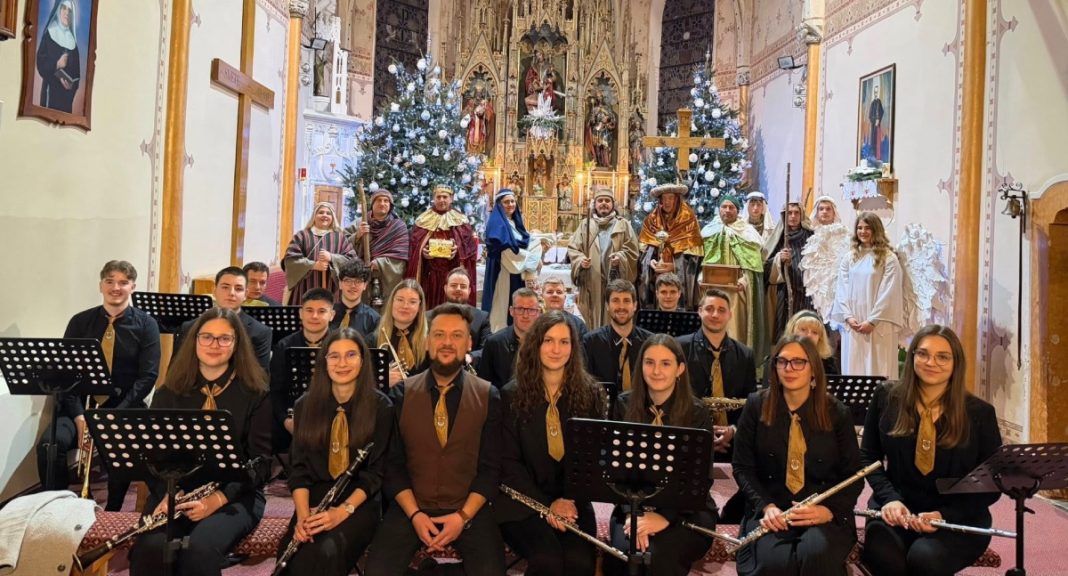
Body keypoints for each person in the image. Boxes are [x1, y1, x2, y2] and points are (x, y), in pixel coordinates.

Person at [128, 308, 272, 576]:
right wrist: (167, 493)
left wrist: (217, 499)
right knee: (150, 547)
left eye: (224, 339)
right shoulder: (168, 392)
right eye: (206, 337)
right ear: (194, 341)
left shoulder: (256, 393)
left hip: (236, 493)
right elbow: (151, 458)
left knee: (200, 549)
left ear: (236, 344)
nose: (214, 345)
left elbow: (261, 464)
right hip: (175, 491)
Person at [365, 304, 505, 575]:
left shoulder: (490, 395)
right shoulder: (401, 394)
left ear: (469, 343)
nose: (447, 343)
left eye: (456, 336)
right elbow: (392, 466)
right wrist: (415, 515)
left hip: (468, 509)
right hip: (412, 507)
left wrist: (462, 517)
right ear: (428, 341)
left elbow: (491, 469)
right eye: (439, 335)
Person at [859, 325, 1002, 576]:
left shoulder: (980, 413)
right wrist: (890, 498)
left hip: (958, 515)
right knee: (885, 559)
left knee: (925, 559)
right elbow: (867, 457)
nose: (931, 362)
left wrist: (943, 514)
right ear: (912, 355)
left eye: (942, 356)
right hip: (896, 509)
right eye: (923, 354)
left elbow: (990, 483)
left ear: (956, 362)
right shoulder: (886, 397)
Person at [732, 336, 863, 576]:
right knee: (774, 564)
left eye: (798, 362)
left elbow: (853, 476)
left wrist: (829, 510)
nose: (789, 368)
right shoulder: (756, 405)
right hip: (772, 511)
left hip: (823, 511)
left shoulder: (837, 413)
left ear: (813, 368)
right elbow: (742, 467)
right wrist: (766, 506)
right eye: (782, 361)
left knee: (815, 554)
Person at [40, 260, 160, 511]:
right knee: (50, 446)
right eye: (109, 281)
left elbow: (147, 376)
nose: (115, 287)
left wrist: (112, 415)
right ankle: (59, 507)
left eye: (123, 282)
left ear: (133, 287)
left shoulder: (146, 324)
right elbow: (66, 374)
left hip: (123, 406)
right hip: (79, 405)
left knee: (121, 449)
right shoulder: (80, 322)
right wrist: (79, 417)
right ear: (100, 285)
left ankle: (112, 510)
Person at [495, 311, 605, 576]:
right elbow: (508, 464)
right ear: (536, 345)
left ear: (573, 348)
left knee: (580, 562)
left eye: (564, 342)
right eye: (549, 341)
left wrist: (568, 499)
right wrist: (547, 505)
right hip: (522, 502)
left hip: (573, 500)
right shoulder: (511, 394)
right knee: (547, 560)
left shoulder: (591, 394)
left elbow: (591, 458)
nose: (557, 349)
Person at [277, 328, 393, 576]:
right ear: (324, 362)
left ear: (362, 361)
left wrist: (342, 512)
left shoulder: (381, 407)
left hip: (360, 500)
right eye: (334, 356)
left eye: (351, 355)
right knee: (293, 552)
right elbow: (298, 469)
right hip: (315, 493)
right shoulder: (305, 405)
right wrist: (302, 515)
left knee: (326, 552)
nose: (342, 363)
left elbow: (376, 474)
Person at [602, 334, 716, 576]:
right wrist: (635, 514)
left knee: (660, 557)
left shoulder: (698, 413)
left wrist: (664, 517)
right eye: (649, 362)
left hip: (687, 510)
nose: (656, 371)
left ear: (680, 369)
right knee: (623, 554)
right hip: (633, 505)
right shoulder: (624, 404)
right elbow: (616, 472)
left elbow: (699, 479)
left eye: (665, 363)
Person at [830, 212, 906, 378]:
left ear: (876, 229)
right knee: (853, 369)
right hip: (854, 324)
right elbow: (842, 289)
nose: (862, 231)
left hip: (879, 325)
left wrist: (872, 320)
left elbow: (889, 291)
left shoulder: (888, 258)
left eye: (867, 228)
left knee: (878, 368)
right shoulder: (849, 258)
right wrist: (848, 317)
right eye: (859, 228)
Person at [678, 288, 757, 440]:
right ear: (699, 311)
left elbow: (751, 403)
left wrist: (734, 430)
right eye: (709, 309)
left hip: (733, 441)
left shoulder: (746, 355)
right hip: (690, 436)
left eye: (721, 310)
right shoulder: (680, 348)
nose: (715, 315)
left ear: (730, 315)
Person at [269, 288, 336, 455]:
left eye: (322, 311)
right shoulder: (284, 346)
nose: (314, 316)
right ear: (300, 313)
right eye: (309, 310)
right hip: (293, 415)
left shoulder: (341, 345)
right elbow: (276, 392)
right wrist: (286, 421)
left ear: (332, 315)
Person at [702, 194, 767, 357]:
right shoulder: (709, 231)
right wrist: (701, 278)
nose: (728, 210)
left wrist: (745, 280)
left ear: (738, 211)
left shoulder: (747, 232)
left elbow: (754, 265)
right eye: (724, 206)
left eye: (732, 207)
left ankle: (735, 360)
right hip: (713, 291)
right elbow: (700, 261)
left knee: (735, 329)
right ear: (719, 209)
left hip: (737, 293)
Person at [566, 186, 639, 329]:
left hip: (615, 279)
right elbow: (574, 249)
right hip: (591, 281)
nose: (604, 203)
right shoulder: (585, 224)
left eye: (607, 200)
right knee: (591, 319)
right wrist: (581, 261)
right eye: (600, 200)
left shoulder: (622, 224)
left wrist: (621, 257)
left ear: (613, 204)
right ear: (595, 204)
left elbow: (633, 250)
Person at [175, 266, 272, 373]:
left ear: (245, 294)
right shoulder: (189, 327)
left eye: (238, 289)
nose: (231, 293)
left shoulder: (260, 333)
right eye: (225, 287)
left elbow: (260, 379)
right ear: (215, 291)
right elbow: (176, 371)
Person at [407, 185, 478, 310]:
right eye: (438, 197)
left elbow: (470, 249)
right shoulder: (423, 219)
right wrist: (422, 253)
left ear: (451, 199)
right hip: (430, 276)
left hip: (453, 273)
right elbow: (414, 246)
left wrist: (458, 250)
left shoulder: (461, 220)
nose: (441, 200)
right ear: (433, 199)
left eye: (445, 197)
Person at [637, 183, 704, 310]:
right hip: (656, 278)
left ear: (677, 199)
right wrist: (650, 262)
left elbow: (695, 258)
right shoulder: (651, 220)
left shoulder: (688, 220)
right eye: (664, 198)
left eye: (671, 198)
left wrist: (675, 265)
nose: (667, 202)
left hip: (679, 280)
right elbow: (644, 252)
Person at [483, 189, 541, 332]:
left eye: (512, 201)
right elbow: (506, 249)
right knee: (502, 308)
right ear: (499, 205)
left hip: (516, 271)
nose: (510, 204)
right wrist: (532, 259)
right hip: (504, 271)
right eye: (506, 202)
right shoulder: (497, 224)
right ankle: (500, 336)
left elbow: (523, 241)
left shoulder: (513, 222)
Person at [283, 202, 358, 305]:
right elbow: (290, 259)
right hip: (305, 287)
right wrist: (313, 265)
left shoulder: (340, 238)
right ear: (314, 216)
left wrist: (332, 257)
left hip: (332, 288)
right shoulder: (302, 236)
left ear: (332, 217)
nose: (324, 215)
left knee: (330, 317)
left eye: (328, 213)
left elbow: (352, 260)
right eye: (321, 212)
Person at [582, 280, 651, 391]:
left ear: (635, 306)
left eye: (626, 301)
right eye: (615, 301)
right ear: (607, 306)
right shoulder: (590, 342)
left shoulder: (649, 342)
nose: (621, 306)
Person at [345, 189, 409, 309]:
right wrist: (357, 235)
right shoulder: (360, 222)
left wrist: (380, 263)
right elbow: (342, 244)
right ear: (372, 204)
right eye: (379, 200)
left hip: (386, 278)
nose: (382, 203)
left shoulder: (398, 226)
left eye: (386, 201)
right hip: (362, 276)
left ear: (390, 205)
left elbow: (401, 256)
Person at [763, 202, 814, 341]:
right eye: (789, 213)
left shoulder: (811, 236)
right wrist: (779, 259)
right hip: (785, 293)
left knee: (806, 327)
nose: (792, 216)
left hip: (806, 293)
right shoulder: (779, 237)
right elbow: (765, 266)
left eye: (796, 213)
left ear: (802, 215)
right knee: (785, 330)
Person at [800, 195, 852, 320]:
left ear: (834, 212)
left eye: (828, 209)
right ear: (816, 212)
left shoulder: (844, 232)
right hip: (813, 285)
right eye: (821, 209)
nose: (824, 212)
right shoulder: (808, 233)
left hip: (836, 282)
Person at [478, 288, 542, 389]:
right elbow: (483, 386)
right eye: (520, 309)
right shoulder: (494, 343)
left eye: (531, 310)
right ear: (511, 311)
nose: (525, 315)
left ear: (538, 312)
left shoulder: (545, 343)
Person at [370, 279, 429, 387]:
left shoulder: (430, 342)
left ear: (419, 307)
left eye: (412, 302)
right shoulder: (372, 340)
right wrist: (382, 380)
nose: (405, 306)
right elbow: (362, 383)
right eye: (400, 300)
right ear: (392, 302)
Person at [35, 0, 80, 113]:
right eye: (64, 8)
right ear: (58, 10)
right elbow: (40, 63)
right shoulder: (50, 34)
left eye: (69, 10)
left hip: (66, 100)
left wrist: (71, 85)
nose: (66, 13)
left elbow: (77, 75)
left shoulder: (73, 44)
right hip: (50, 94)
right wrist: (56, 64)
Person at [330, 259, 381, 339]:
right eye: (348, 281)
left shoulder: (374, 319)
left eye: (358, 281)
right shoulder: (328, 314)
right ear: (340, 284)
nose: (353, 286)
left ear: (365, 285)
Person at [444, 267, 490, 351]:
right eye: (453, 285)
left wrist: (470, 357)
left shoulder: (482, 318)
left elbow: (486, 350)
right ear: (445, 288)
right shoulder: (429, 317)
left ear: (469, 291)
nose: (458, 289)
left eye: (463, 286)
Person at [784, 310, 838, 377]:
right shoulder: (782, 358)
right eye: (803, 330)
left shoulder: (827, 361)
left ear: (820, 338)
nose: (809, 335)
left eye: (814, 332)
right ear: (792, 331)